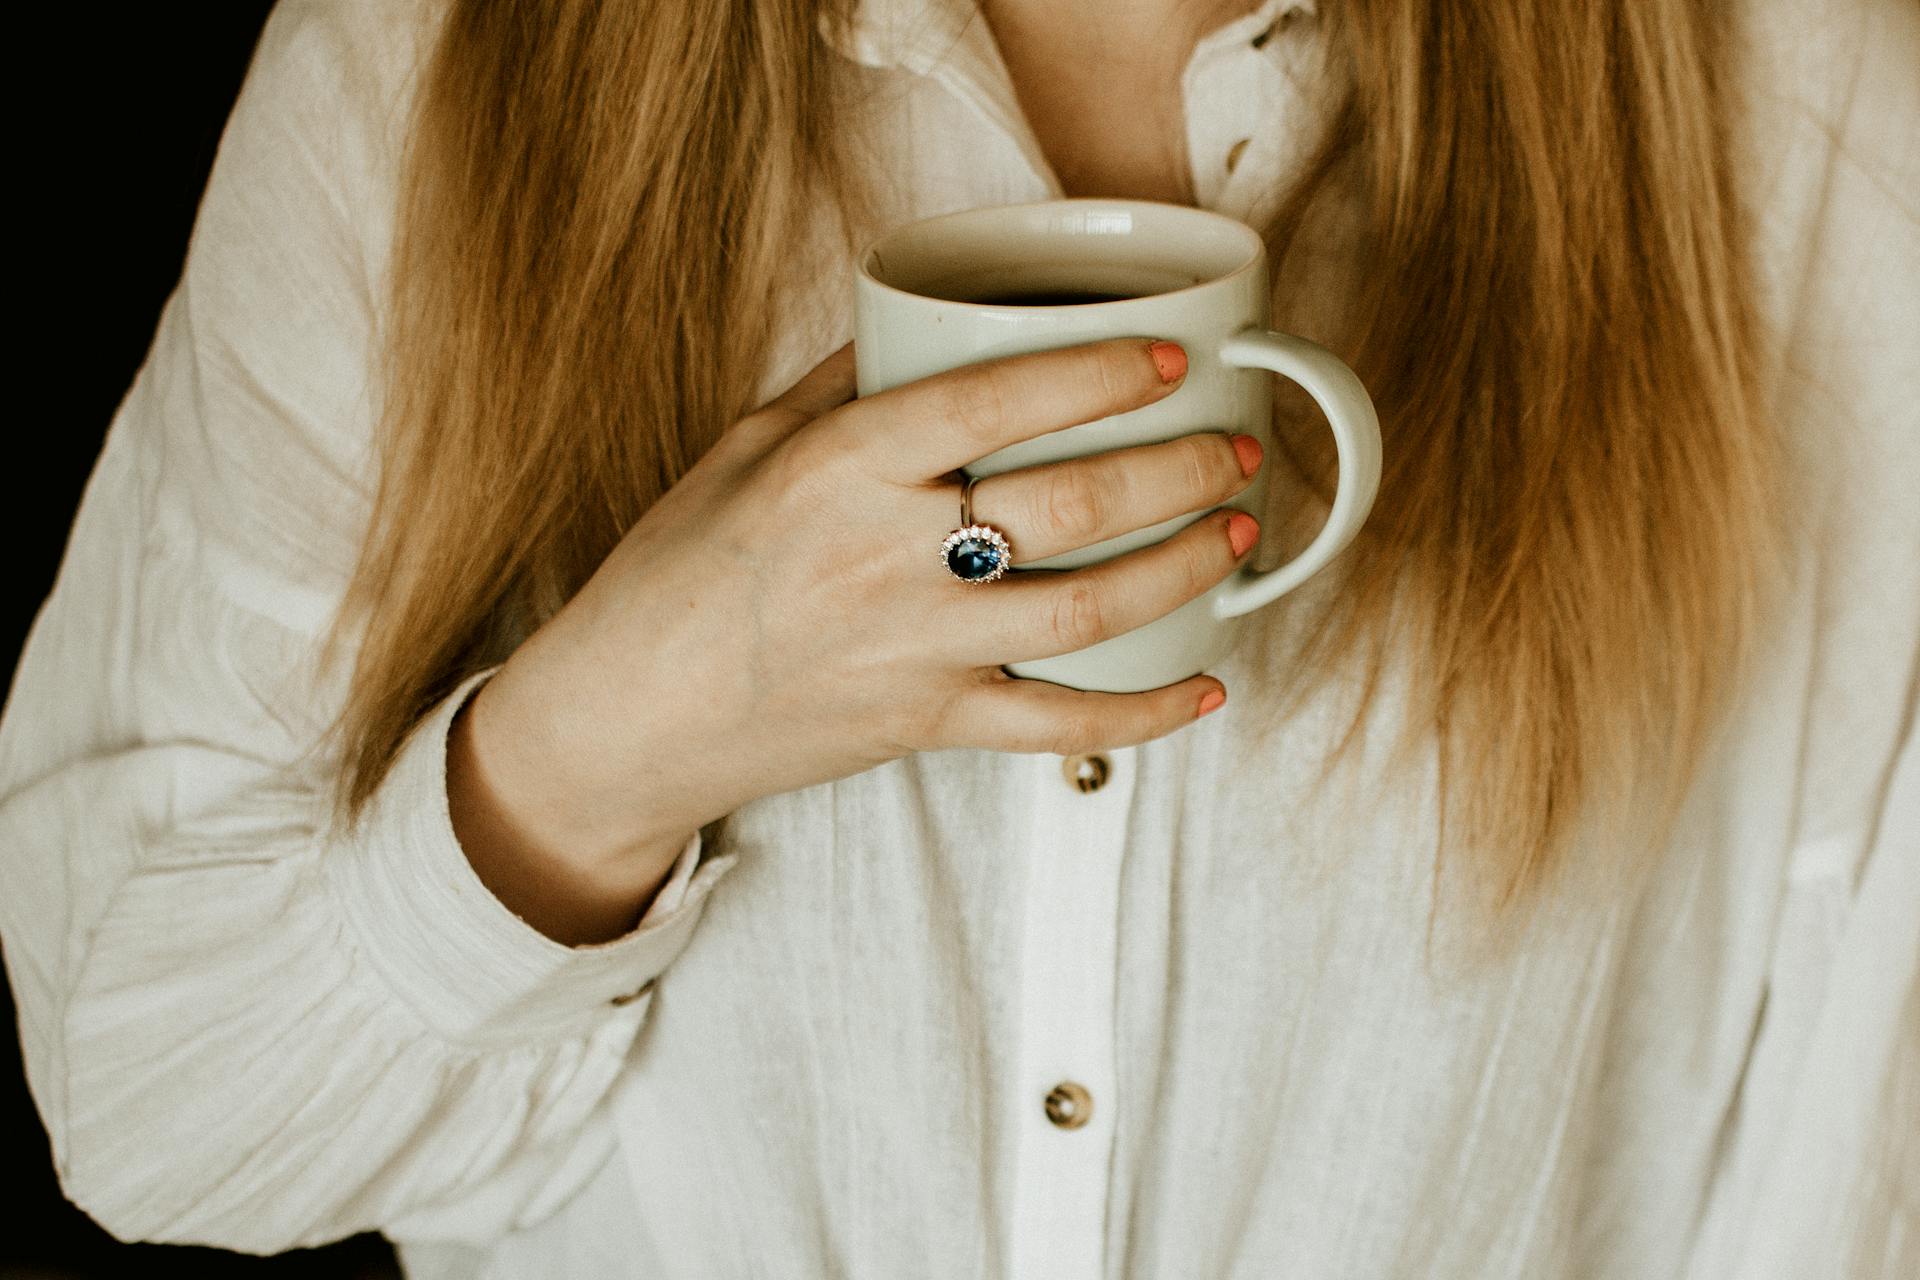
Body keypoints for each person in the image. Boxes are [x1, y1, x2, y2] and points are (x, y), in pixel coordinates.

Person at [0, 0, 1913, 1275]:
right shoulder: (426, 64)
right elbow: (162, 1120)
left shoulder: (1806, 120)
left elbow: (1848, 1161)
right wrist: (610, 747)